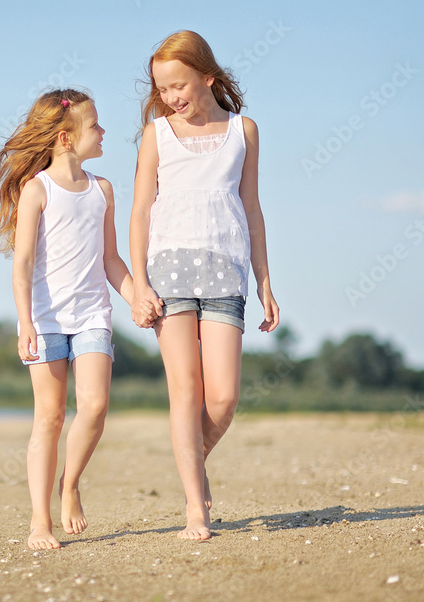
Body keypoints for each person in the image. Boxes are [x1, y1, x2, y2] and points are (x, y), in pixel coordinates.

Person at [0, 88, 157, 550]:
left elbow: (111, 260)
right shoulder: (36, 189)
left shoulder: (103, 190)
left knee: (96, 406)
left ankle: (70, 483)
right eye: (96, 125)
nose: (103, 132)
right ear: (66, 137)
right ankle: (39, 522)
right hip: (45, 318)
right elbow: (21, 264)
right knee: (50, 416)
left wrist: (137, 295)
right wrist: (24, 322)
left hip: (92, 316)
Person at [129, 30, 280, 541]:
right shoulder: (157, 134)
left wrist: (264, 280)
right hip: (168, 271)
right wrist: (140, 285)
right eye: (162, 89)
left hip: (227, 271)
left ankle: (192, 462)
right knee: (184, 390)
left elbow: (253, 210)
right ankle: (197, 507)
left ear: (207, 77)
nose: (171, 97)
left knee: (222, 399)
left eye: (178, 85)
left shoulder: (245, 131)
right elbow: (140, 211)